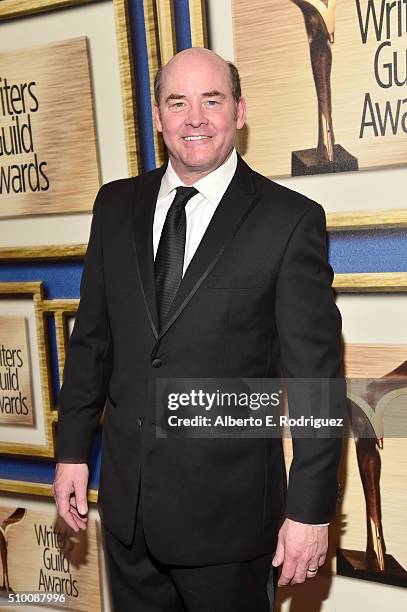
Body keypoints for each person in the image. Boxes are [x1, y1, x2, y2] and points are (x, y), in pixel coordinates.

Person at [52, 47, 345, 611]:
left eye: (212, 101)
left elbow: (317, 380)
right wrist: (72, 451)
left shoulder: (289, 221)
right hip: (128, 515)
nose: (195, 118)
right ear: (157, 116)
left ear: (239, 112)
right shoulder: (115, 206)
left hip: (230, 526)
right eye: (177, 102)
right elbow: (92, 342)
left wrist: (309, 509)